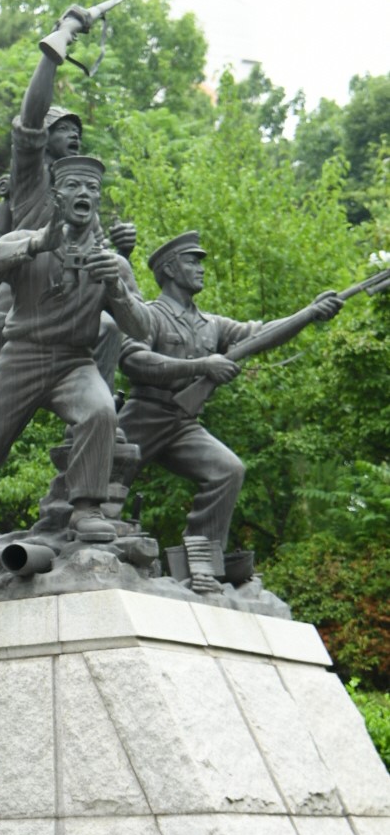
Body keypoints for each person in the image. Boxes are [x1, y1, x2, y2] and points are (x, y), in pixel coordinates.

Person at [0, 25, 138, 469]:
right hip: (19, 295)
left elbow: (98, 269)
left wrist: (121, 253)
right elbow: (31, 124)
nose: (73, 134)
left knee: (109, 330)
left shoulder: (85, 198)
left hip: (69, 304)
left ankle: (92, 421)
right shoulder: (31, 180)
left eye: (78, 130)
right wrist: (55, 53)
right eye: (64, 128)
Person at [0, 156, 153, 553]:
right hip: (21, 356)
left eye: (93, 189)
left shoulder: (111, 262)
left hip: (73, 363)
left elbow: (144, 328)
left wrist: (114, 286)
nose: (85, 194)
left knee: (100, 410)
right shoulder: (29, 240)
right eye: (76, 186)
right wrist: (33, 246)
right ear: (57, 194)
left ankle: (86, 508)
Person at [118, 232, 342, 585]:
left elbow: (263, 334)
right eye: (192, 261)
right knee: (100, 489)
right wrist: (202, 366)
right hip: (143, 415)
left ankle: (203, 565)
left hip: (183, 423)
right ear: (170, 269)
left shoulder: (213, 324)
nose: (201, 268)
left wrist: (309, 314)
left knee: (228, 470)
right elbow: (132, 360)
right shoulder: (149, 316)